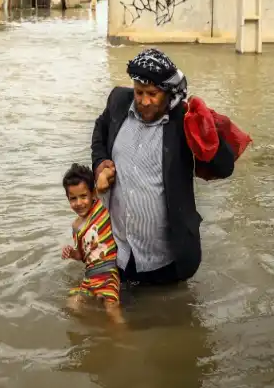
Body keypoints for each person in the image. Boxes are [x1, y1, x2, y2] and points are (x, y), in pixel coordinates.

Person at [91, 48, 235, 287]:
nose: (144, 101)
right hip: (118, 254)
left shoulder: (184, 121)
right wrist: (99, 164)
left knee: (169, 314)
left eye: (152, 94)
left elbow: (224, 167)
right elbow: (100, 129)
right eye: (139, 92)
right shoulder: (118, 102)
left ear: (168, 93)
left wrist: (207, 131)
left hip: (165, 261)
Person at [61, 163, 124, 325]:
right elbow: (83, 256)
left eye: (83, 196)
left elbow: (111, 173)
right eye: (73, 198)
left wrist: (103, 175)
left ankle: (122, 339)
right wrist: (72, 253)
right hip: (90, 277)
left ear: (93, 193)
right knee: (72, 305)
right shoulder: (76, 226)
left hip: (109, 272)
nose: (79, 203)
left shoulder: (100, 207)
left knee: (111, 308)